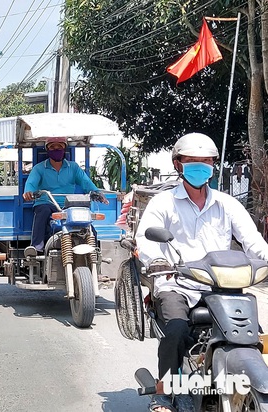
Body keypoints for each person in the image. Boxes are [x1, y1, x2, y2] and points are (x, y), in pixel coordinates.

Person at [135, 132, 268, 412]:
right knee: (176, 330)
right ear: (178, 164)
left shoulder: (227, 204)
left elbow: (253, 242)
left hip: (220, 286)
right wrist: (157, 261)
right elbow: (146, 240)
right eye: (192, 161)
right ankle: (164, 394)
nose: (200, 166)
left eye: (206, 161)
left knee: (252, 334)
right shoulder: (163, 203)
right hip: (176, 282)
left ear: (213, 165)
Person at [22, 136, 107, 253]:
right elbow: (31, 183)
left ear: (64, 149)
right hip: (46, 202)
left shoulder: (73, 167)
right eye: (52, 147)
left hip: (68, 205)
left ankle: (94, 252)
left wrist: (97, 193)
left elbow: (86, 182)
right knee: (43, 211)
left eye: (59, 147)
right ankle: (36, 248)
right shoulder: (39, 168)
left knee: (88, 225)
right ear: (47, 150)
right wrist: (28, 192)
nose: (56, 149)